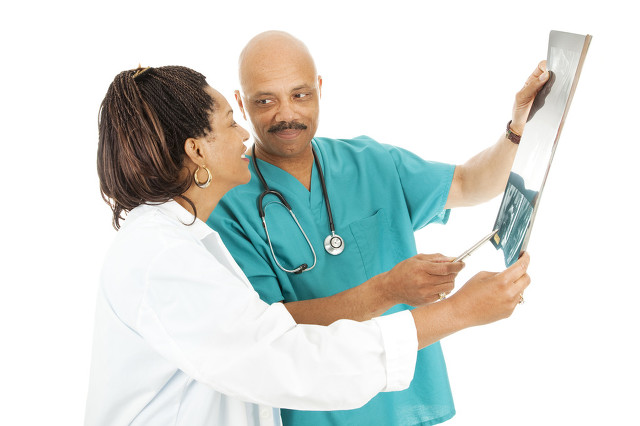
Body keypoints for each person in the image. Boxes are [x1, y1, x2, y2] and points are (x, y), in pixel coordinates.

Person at [85, 65, 531, 426]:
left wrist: (518, 128)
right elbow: (287, 359)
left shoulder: (181, 241)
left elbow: (263, 335)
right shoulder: (165, 257)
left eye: (300, 93)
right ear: (197, 152)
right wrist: (457, 312)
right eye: (232, 120)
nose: (243, 134)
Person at [208, 31, 549, 426]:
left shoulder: (370, 162)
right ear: (240, 103)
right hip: (319, 412)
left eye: (300, 94)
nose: (286, 114)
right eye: (265, 101)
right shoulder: (226, 206)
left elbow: (471, 183)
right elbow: (271, 329)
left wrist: (517, 127)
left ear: (319, 89)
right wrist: (390, 289)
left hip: (403, 400)